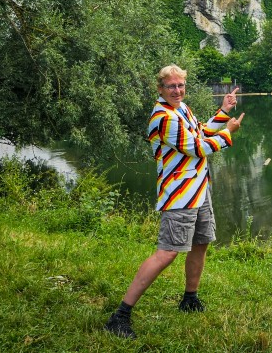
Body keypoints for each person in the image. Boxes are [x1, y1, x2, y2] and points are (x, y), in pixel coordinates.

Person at [104, 64, 244, 339]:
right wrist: (228, 131)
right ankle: (120, 316)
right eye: (171, 86)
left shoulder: (182, 109)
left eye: (180, 85)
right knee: (167, 252)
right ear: (160, 89)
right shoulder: (164, 117)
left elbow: (201, 132)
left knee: (200, 242)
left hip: (198, 188)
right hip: (179, 194)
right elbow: (199, 148)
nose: (177, 90)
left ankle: (189, 299)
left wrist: (224, 111)